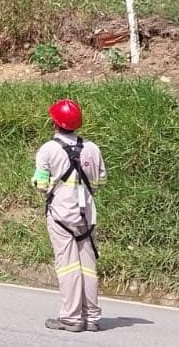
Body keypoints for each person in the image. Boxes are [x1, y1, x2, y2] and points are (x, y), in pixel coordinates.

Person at [31, 98, 106, 332]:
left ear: (54, 122)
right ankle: (91, 317)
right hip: (87, 217)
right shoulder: (92, 149)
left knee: (67, 267)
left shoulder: (48, 150)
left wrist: (39, 182)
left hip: (61, 215)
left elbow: (41, 184)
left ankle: (71, 318)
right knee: (87, 267)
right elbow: (100, 180)